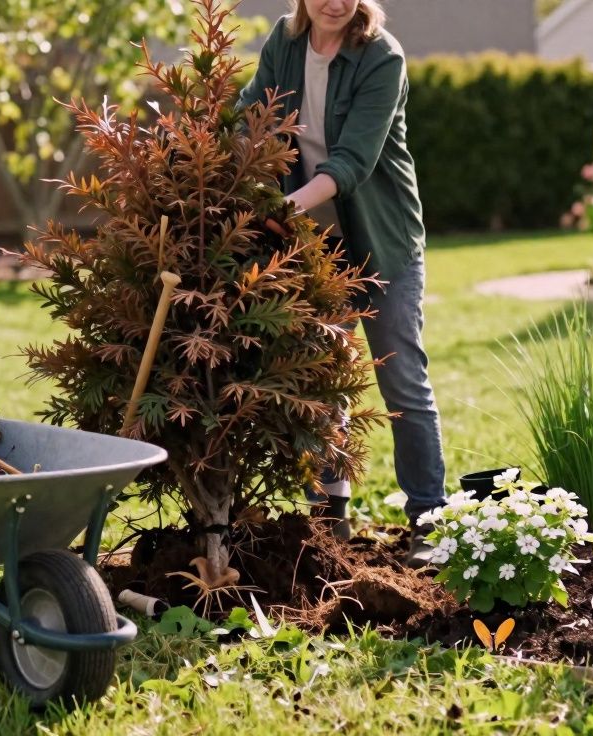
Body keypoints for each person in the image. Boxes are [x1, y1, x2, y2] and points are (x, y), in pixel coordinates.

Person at [238, 0, 445, 566]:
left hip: (383, 246)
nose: (335, 2)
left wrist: (281, 207)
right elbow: (249, 116)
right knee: (320, 381)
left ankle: (430, 519)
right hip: (316, 249)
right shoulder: (285, 40)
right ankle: (330, 517)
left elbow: (352, 162)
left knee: (401, 381)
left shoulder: (381, 57)